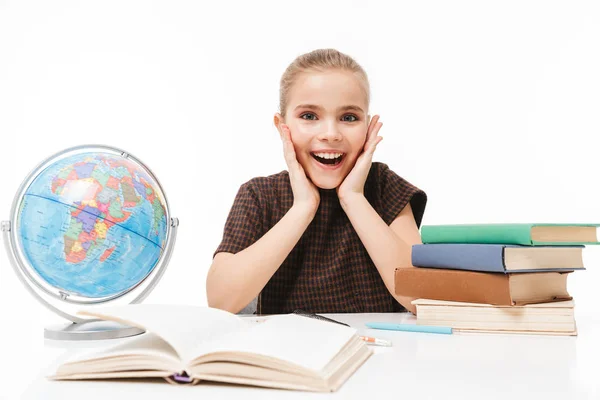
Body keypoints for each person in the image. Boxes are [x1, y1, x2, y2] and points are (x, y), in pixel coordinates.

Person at [207, 48, 427, 315]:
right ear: (282, 126)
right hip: (287, 353)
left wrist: (354, 197)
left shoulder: (383, 187)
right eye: (309, 116)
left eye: (349, 118)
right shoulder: (260, 195)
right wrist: (303, 207)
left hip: (376, 352)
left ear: (368, 127)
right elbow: (220, 301)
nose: (330, 134)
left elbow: (421, 297)